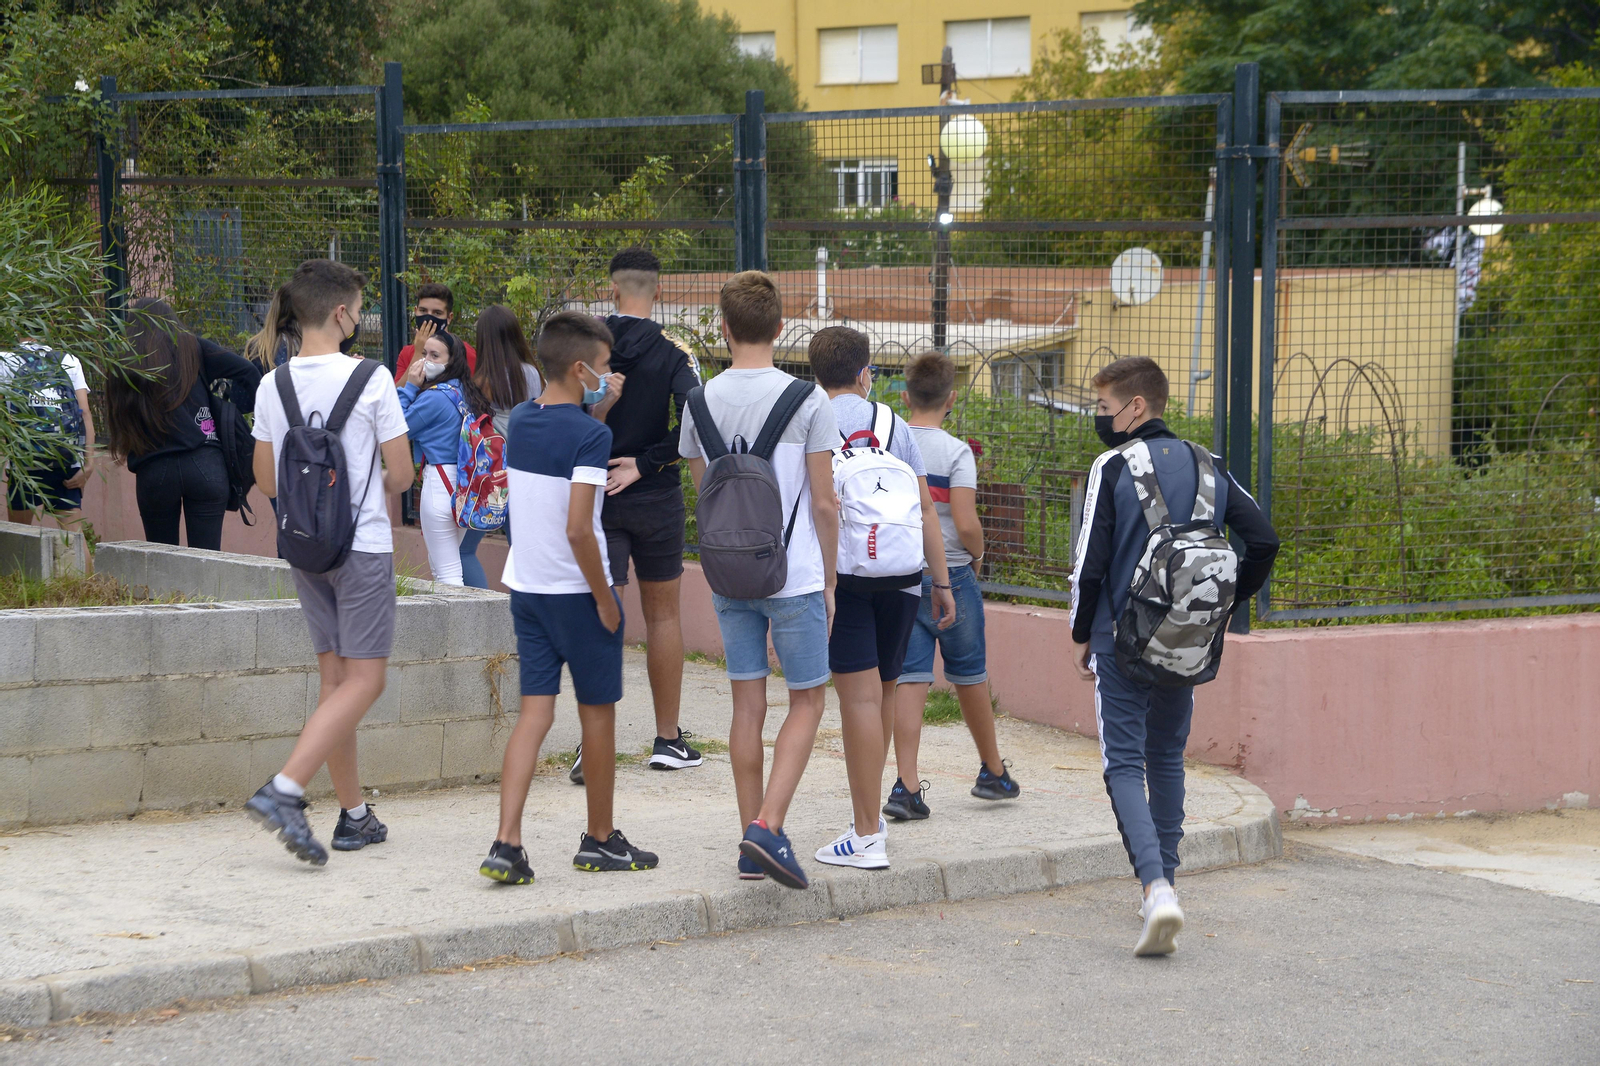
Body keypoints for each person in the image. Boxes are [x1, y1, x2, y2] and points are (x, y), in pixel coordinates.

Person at [1070, 355, 1279, 955]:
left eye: (1105, 408)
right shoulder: (1211, 465)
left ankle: (1155, 889)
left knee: (1123, 763)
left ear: (1136, 407)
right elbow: (1263, 539)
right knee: (1166, 756)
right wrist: (1227, 604)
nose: (1100, 419)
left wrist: (1083, 633)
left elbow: (1090, 566)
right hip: (1189, 637)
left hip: (1122, 636)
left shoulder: (1111, 466)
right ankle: (1166, 883)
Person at [478, 311, 659, 885]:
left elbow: (568, 439)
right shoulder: (592, 435)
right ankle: (600, 839)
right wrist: (606, 599)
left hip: (526, 588)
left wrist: (597, 406)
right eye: (603, 369)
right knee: (597, 716)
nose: (608, 377)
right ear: (581, 368)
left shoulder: (526, 419)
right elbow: (581, 528)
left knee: (535, 713)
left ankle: (506, 843)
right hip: (577, 594)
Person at [244, 259, 414, 865]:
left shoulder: (273, 384)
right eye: (361, 307)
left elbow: (265, 480)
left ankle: (354, 816)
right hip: (361, 546)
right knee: (367, 680)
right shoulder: (371, 379)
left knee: (336, 681)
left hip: (305, 547)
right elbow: (401, 474)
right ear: (342, 313)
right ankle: (285, 789)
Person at [679, 271, 840, 889]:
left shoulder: (699, 401)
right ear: (780, 328)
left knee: (747, 704)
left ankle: (750, 845)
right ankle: (769, 825)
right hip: (793, 572)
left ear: (723, 327)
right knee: (807, 700)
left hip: (728, 573)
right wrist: (828, 578)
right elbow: (824, 503)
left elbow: (706, 489)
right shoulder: (807, 400)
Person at [807, 327, 955, 871]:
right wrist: (940, 583)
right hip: (901, 577)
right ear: (865, 373)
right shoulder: (895, 424)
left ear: (816, 375)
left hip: (843, 576)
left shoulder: (812, 421)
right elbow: (925, 513)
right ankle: (867, 823)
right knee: (884, 694)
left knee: (858, 702)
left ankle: (867, 833)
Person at [567, 247, 703, 784]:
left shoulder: (585, 345)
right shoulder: (675, 350)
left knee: (604, 613)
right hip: (655, 494)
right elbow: (696, 416)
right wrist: (647, 465)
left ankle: (591, 746)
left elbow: (562, 411)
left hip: (593, 491)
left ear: (612, 290)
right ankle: (667, 740)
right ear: (659, 290)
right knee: (664, 616)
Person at [892, 351, 1020, 817]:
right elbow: (965, 523)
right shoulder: (955, 452)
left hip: (902, 575)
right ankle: (992, 771)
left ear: (905, 396)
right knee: (969, 675)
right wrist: (979, 554)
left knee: (910, 678)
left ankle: (905, 786)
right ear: (951, 400)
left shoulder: (891, 443)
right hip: (952, 576)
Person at [103, 299, 261, 551]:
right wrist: (230, 410)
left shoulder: (125, 358)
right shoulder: (193, 346)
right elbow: (249, 372)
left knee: (162, 565)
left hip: (154, 468)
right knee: (207, 561)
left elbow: (117, 415)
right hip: (205, 463)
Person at [459, 305, 542, 588]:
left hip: (490, 475)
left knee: (465, 550)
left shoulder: (477, 380)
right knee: (522, 549)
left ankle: (482, 617)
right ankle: (529, 620)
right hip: (524, 467)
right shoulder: (530, 374)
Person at [398, 330, 472, 586]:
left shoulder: (434, 397)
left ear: (450, 361)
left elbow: (396, 428)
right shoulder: (463, 391)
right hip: (464, 484)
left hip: (440, 484)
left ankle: (462, 627)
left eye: (435, 355)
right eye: (424, 353)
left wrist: (409, 387)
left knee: (448, 575)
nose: (426, 360)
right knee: (445, 568)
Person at [2, 337, 95, 532]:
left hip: (23, 465)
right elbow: (84, 413)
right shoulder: (68, 360)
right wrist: (88, 465)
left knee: (20, 539)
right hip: (66, 462)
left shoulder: (6, 361)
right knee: (74, 542)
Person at [392, 283, 477, 384]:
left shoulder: (465, 352)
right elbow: (397, 396)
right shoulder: (407, 353)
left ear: (449, 318)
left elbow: (473, 393)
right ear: (415, 311)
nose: (428, 318)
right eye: (423, 311)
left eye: (437, 313)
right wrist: (418, 353)